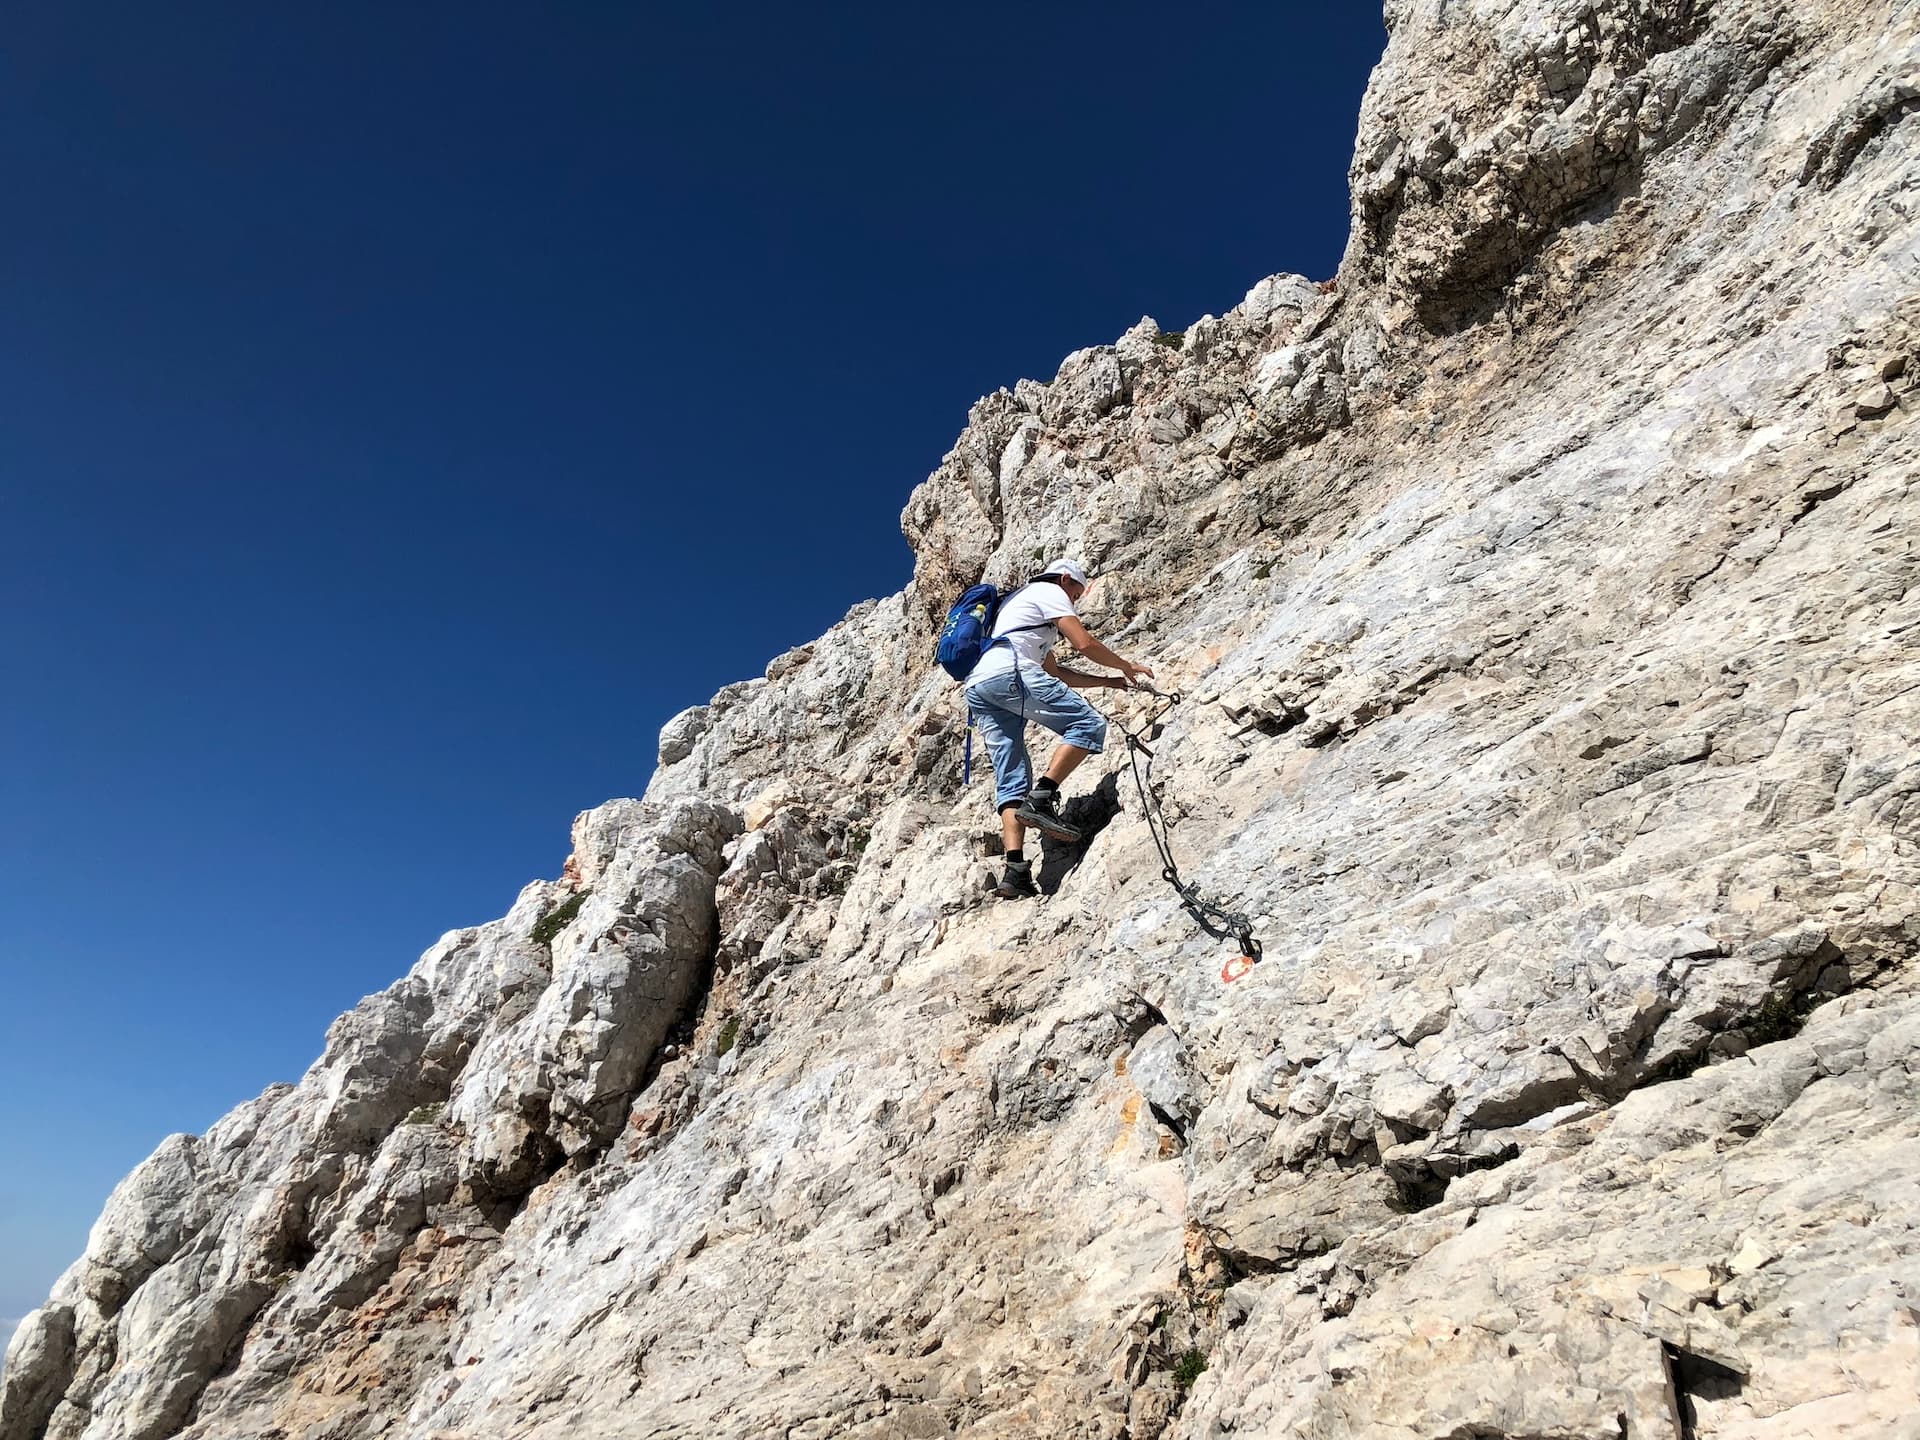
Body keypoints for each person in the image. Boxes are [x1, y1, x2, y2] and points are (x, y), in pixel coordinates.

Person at [964, 558, 1154, 899]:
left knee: (1010, 778)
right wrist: (1127, 666)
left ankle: (1016, 872)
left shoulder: (1016, 611)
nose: (1075, 601)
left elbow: (1058, 673)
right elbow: (1084, 643)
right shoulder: (1047, 591)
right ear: (1065, 580)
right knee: (1088, 724)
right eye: (1076, 593)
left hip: (980, 687)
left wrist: (1109, 682)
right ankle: (1042, 797)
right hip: (1011, 672)